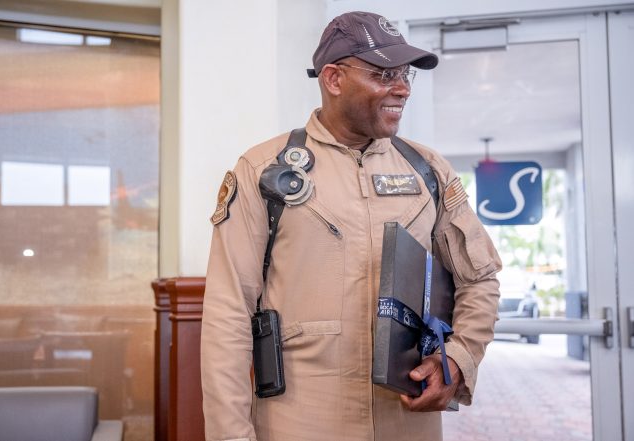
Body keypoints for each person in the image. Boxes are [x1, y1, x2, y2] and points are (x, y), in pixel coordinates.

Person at [201, 10, 502, 441]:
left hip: (408, 420)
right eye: (384, 74)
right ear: (334, 79)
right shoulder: (262, 170)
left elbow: (480, 279)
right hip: (301, 424)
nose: (402, 88)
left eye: (405, 75)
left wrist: (457, 358)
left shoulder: (428, 170)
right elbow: (227, 315)